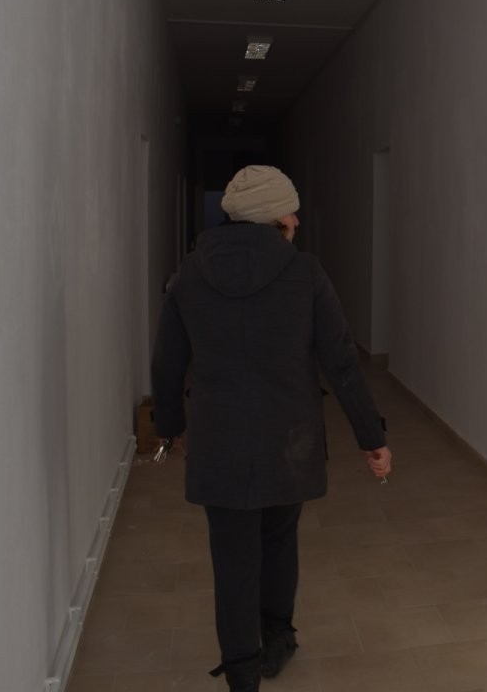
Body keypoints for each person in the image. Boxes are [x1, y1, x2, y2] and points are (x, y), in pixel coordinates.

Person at [150, 165, 392, 692]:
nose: (297, 220)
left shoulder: (190, 273)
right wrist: (371, 437)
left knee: (232, 557)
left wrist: (168, 425)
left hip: (219, 443)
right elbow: (341, 362)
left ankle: (242, 673)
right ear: (272, 217)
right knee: (279, 540)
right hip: (289, 442)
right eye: (291, 211)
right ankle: (276, 638)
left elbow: (167, 362)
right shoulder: (305, 273)